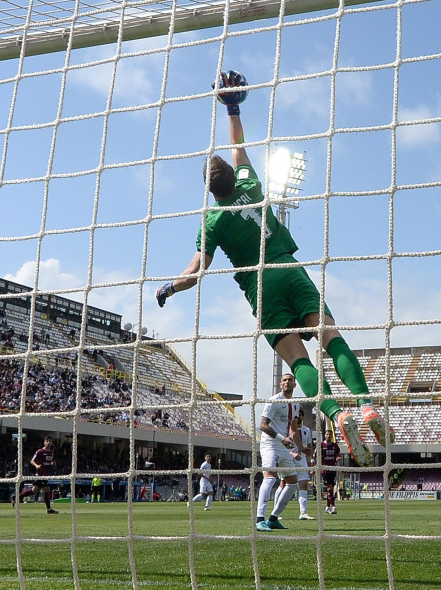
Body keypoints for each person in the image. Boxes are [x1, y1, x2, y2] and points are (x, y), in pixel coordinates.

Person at [155, 70, 394, 467]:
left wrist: (169, 288)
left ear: (210, 192)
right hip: (289, 267)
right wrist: (232, 106)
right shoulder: (251, 184)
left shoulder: (211, 221)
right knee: (332, 337)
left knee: (299, 361)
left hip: (261, 288)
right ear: (235, 177)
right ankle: (367, 405)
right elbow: (238, 146)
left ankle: (339, 414)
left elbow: (195, 273)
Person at [254, 373, 301, 532]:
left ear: (295, 384)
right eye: (284, 380)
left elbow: (293, 428)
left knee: (293, 483)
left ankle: (273, 519)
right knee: (269, 478)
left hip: (283, 446)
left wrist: (301, 448)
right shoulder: (273, 401)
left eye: (290, 380)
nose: (287, 382)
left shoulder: (296, 405)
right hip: (270, 444)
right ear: (280, 384)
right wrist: (282, 438)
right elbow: (263, 425)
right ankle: (259, 519)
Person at [13, 436, 58, 514]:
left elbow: (53, 461)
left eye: (50, 441)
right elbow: (32, 461)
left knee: (34, 491)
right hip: (39, 475)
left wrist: (53, 463)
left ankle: (16, 497)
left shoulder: (52, 452)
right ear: (44, 442)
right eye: (47, 441)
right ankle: (49, 509)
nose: (48, 443)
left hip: (45, 475)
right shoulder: (40, 451)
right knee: (47, 490)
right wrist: (37, 466)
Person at [287, 407, 315, 520]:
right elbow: (282, 446)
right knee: (284, 485)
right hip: (288, 460)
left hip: (302, 461)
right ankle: (276, 513)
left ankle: (303, 512)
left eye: (299, 415)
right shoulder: (287, 429)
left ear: (302, 417)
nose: (298, 417)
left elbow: (309, 448)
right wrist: (292, 454)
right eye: (296, 415)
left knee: (303, 485)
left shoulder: (307, 431)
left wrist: (311, 463)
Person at [319, 428, 341, 515]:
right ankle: (334, 507)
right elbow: (316, 456)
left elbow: (339, 454)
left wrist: (338, 458)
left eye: (330, 434)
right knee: (329, 488)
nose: (328, 436)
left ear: (332, 436)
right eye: (327, 434)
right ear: (325, 435)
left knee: (331, 488)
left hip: (333, 469)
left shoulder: (335, 446)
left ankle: (327, 507)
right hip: (325, 469)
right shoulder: (321, 445)